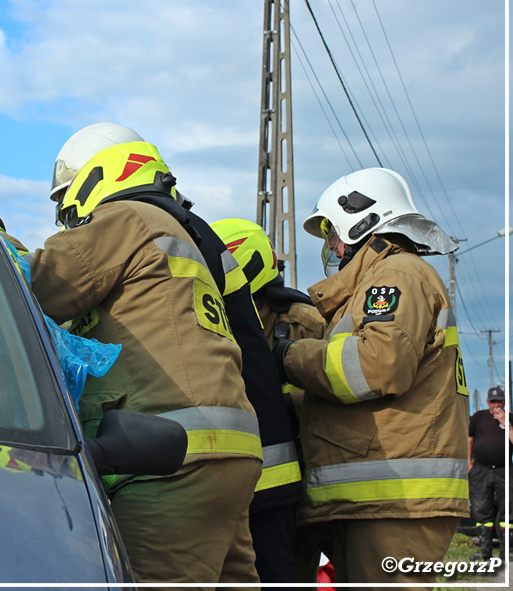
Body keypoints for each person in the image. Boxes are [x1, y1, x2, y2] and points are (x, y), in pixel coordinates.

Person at [31, 133, 262, 585]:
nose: (67, 216)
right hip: (227, 452)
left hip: (169, 457)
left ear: (94, 178)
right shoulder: (184, 233)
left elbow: (40, 283)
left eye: (65, 199)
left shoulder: (125, 217)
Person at [273, 167, 469, 588]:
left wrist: (289, 356)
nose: (330, 245)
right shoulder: (376, 282)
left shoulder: (397, 276)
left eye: (332, 232)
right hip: (379, 500)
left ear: (362, 221)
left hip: (397, 502)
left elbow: (376, 366)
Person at [211, 218, 329, 584]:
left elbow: (323, 394)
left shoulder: (303, 321)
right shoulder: (215, 315)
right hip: (237, 486)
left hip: (296, 489)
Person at [468, 385, 511, 561]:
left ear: (504, 402)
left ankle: (507, 550)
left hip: (504, 470)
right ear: (487, 402)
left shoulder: (510, 419)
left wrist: (505, 423)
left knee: (507, 509)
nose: (496, 405)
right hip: (481, 470)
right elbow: (469, 441)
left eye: (499, 401)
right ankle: (484, 550)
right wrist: (468, 463)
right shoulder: (478, 418)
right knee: (480, 509)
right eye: (493, 402)